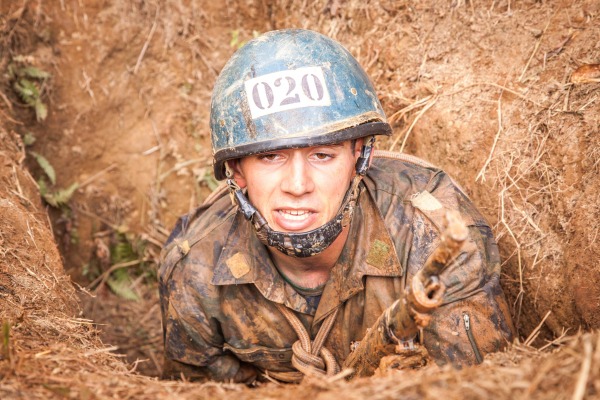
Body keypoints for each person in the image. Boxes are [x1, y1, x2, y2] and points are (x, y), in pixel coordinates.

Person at [158, 28, 515, 384]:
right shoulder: (197, 269)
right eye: (270, 157)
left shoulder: (433, 237)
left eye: (323, 155)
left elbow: (477, 386)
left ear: (358, 156)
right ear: (237, 171)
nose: (298, 185)